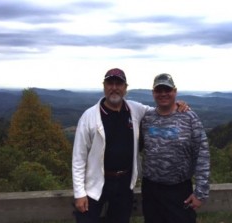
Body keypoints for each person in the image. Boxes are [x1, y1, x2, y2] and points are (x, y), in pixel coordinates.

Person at [72, 68, 189, 223]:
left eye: (118, 84)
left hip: (124, 183)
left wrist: (177, 105)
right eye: (110, 83)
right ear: (104, 86)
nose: (114, 87)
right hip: (95, 183)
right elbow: (78, 158)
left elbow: (159, 110)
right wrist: (79, 193)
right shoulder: (89, 117)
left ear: (125, 88)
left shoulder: (134, 109)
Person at [140, 73, 210, 223]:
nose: (163, 93)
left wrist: (200, 192)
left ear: (175, 91)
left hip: (180, 191)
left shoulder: (190, 118)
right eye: (159, 90)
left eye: (167, 89)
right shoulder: (146, 118)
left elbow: (202, 154)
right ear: (153, 93)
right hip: (151, 190)